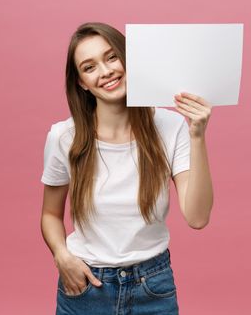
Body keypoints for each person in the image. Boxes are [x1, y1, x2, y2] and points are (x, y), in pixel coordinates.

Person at [40, 22, 214, 314]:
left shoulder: (170, 127)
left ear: (128, 59)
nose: (106, 71)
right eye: (89, 67)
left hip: (153, 287)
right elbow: (49, 214)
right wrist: (62, 256)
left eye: (111, 57)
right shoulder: (63, 137)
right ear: (81, 82)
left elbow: (197, 217)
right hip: (86, 288)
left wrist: (197, 135)